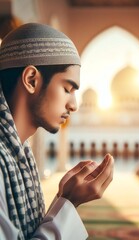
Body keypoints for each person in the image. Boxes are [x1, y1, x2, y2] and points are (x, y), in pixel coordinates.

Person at [0, 23, 114, 239]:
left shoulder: (21, 156)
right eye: (67, 89)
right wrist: (70, 203)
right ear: (31, 80)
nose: (74, 105)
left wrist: (63, 197)